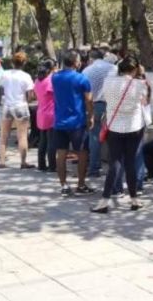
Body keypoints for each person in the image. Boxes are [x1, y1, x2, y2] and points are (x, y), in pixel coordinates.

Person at [91, 56, 150, 213]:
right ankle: (134, 200)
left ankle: (104, 201)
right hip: (134, 126)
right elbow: (145, 103)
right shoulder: (140, 84)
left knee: (114, 163)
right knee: (130, 163)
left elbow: (104, 99)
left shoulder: (108, 81)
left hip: (114, 127)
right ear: (135, 69)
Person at [52, 50, 95, 196]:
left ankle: (64, 185)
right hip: (77, 121)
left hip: (59, 121)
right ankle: (81, 184)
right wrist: (91, 116)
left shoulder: (55, 77)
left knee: (61, 154)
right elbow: (89, 100)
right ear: (76, 62)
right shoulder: (82, 79)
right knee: (82, 153)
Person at [0, 52, 36, 169]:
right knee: (22, 136)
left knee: (3, 135)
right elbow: (30, 95)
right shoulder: (26, 76)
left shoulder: (5, 74)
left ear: (12, 62)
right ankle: (23, 162)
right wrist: (27, 101)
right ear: (24, 63)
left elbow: (0, 89)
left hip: (7, 105)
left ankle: (2, 162)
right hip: (20, 106)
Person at [81, 49, 116, 177]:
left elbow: (83, 91)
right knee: (113, 137)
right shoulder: (114, 68)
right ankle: (114, 168)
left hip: (94, 105)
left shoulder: (87, 70)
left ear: (91, 58)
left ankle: (94, 168)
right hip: (112, 106)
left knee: (94, 138)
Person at [34, 58, 57, 172]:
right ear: (53, 68)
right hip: (50, 113)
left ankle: (41, 164)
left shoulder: (38, 80)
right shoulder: (50, 80)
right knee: (51, 141)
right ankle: (52, 165)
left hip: (41, 113)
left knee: (43, 141)